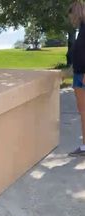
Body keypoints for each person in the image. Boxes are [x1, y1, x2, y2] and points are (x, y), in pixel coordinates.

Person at [68, 1, 85, 156]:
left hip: (83, 75)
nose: (71, 20)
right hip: (78, 74)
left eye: (71, 15)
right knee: (83, 112)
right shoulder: (82, 29)